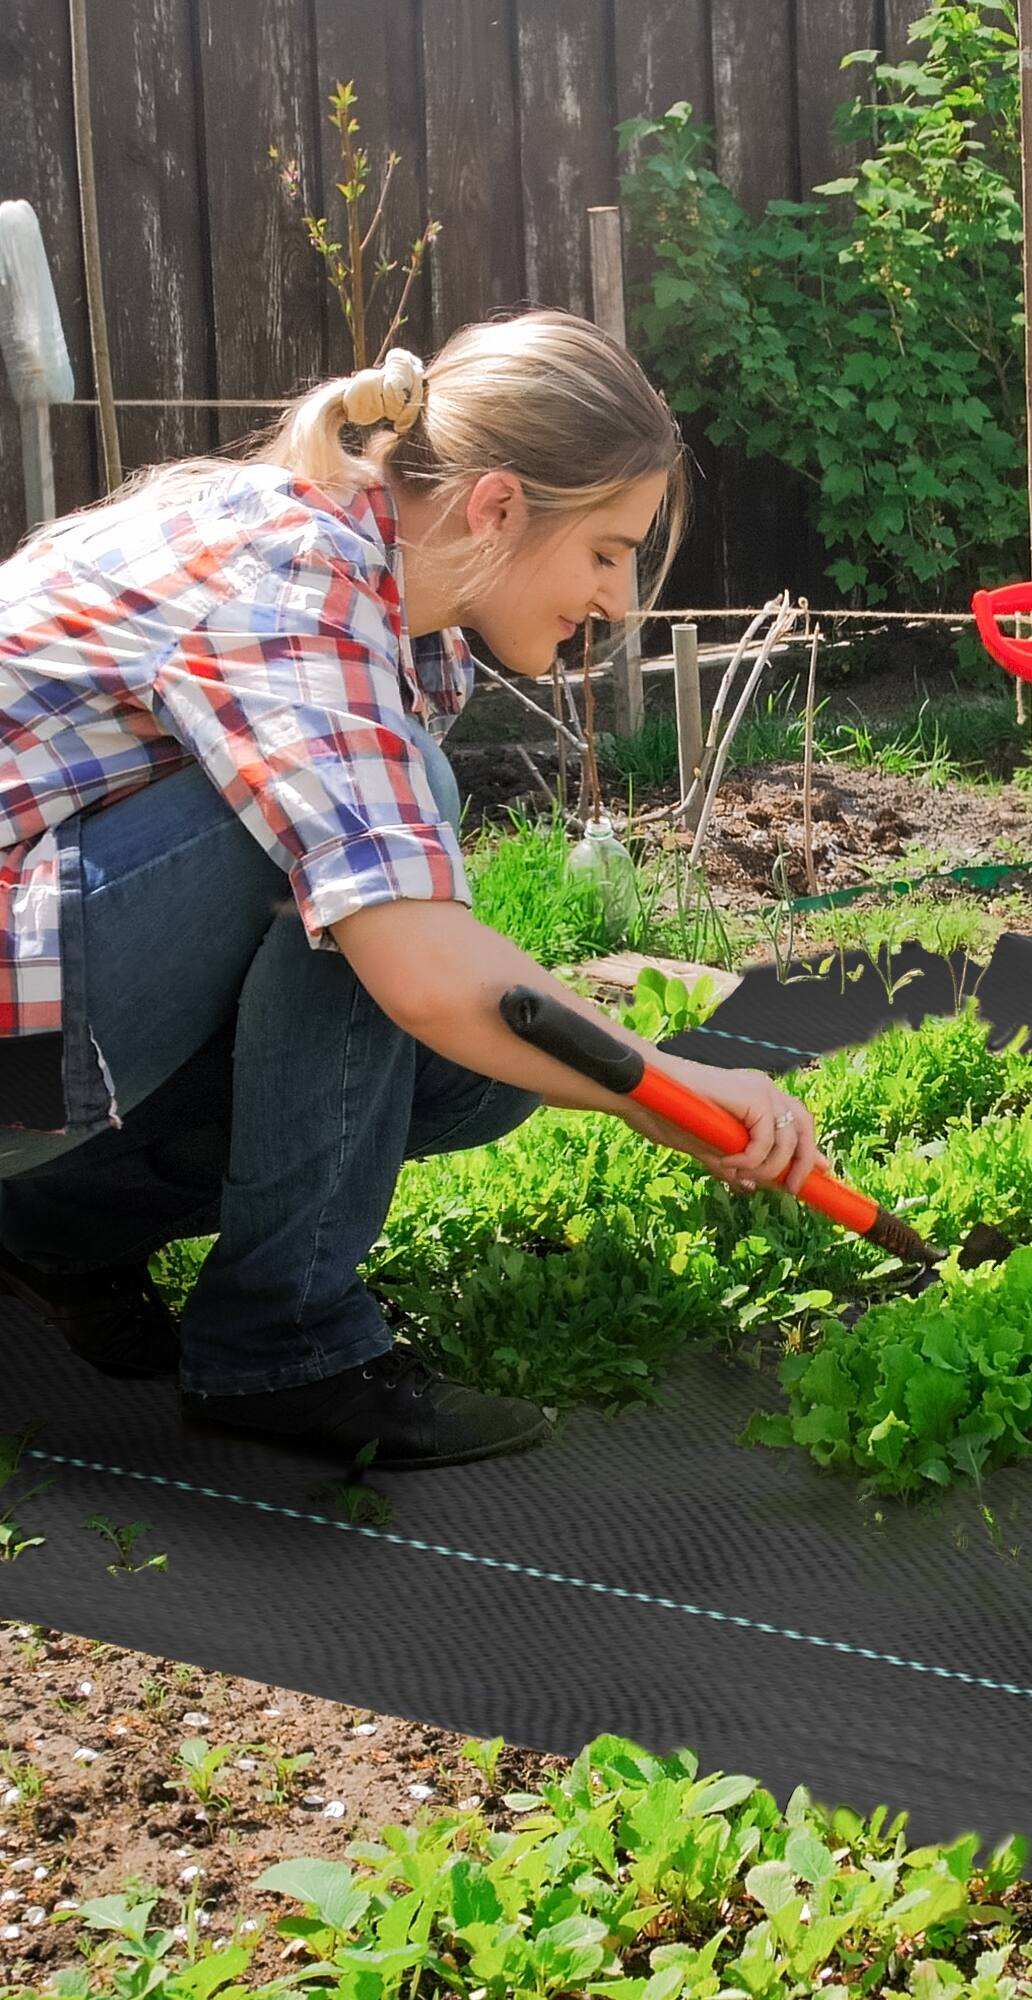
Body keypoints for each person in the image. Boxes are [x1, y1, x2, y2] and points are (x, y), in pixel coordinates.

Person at [0, 309, 824, 1465]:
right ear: (495, 506)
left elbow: (433, 992)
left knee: (474, 1080)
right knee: (368, 885)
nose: (620, 600)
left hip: (47, 1005)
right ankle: (285, 1348)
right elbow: (416, 959)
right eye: (605, 550)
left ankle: (55, 1225)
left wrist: (630, 1081)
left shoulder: (385, 600)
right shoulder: (294, 576)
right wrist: (671, 1084)